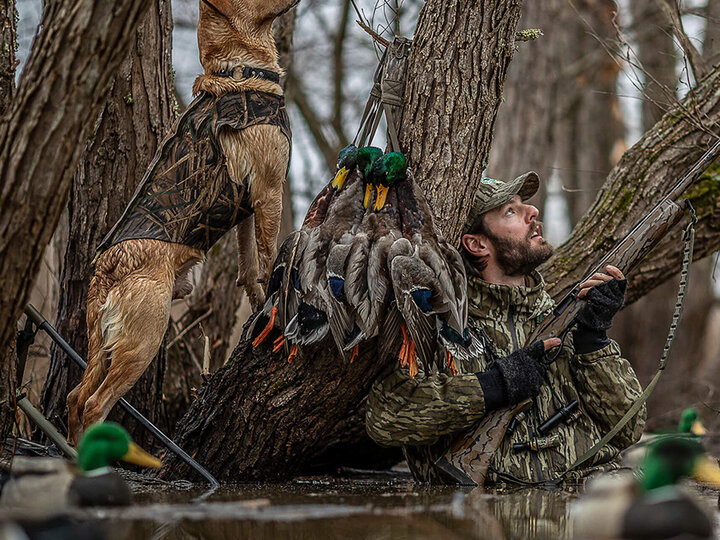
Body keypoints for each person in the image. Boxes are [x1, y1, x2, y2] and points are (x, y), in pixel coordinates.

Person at [365, 172, 645, 485]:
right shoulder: (436, 324)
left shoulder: (564, 321)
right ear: (477, 243)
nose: (532, 212)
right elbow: (385, 417)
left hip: (587, 500)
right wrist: (494, 385)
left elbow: (630, 429)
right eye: (510, 211)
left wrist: (594, 339)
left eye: (524, 204)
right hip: (483, 516)